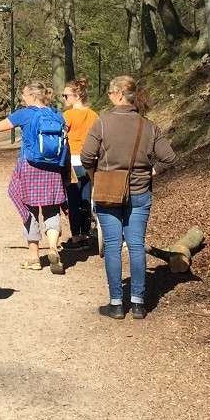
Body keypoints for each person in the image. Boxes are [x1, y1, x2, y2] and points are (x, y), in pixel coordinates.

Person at [80, 75, 176, 320]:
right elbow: (169, 158)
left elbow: (86, 157)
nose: (109, 97)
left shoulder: (101, 124)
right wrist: (148, 173)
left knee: (112, 246)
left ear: (119, 95)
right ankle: (138, 304)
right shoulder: (149, 126)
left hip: (107, 192)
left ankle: (115, 304)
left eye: (111, 93)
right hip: (139, 193)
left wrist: (95, 178)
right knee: (136, 245)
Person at [0, 80, 68, 275]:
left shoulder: (24, 114)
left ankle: (34, 258)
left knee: (30, 211)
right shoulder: (57, 115)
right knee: (52, 210)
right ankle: (52, 248)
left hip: (30, 167)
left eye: (24, 96)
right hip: (52, 169)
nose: (23, 99)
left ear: (33, 96)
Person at [61, 78, 98, 251]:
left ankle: (76, 237)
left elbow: (61, 137)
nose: (64, 99)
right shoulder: (93, 115)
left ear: (76, 96)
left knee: (73, 201)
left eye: (66, 95)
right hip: (90, 162)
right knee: (86, 199)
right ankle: (86, 233)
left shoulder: (67, 116)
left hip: (73, 162)